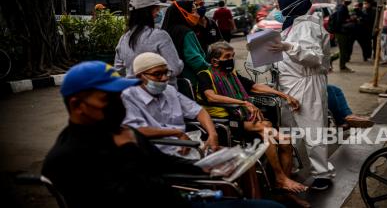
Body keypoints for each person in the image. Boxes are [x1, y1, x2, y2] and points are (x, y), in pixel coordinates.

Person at [42, 61, 285, 208]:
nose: (119, 104)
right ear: (77, 106)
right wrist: (128, 148)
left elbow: (163, 163)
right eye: (108, 98)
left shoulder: (120, 132)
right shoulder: (66, 157)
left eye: (119, 96)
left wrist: (209, 166)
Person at [197, 42, 310, 207]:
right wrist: (243, 103)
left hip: (244, 119)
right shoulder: (205, 75)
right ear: (215, 61)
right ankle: (280, 179)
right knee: (266, 128)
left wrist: (283, 95)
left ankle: (283, 187)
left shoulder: (232, 75)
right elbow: (211, 97)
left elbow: (254, 86)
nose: (231, 60)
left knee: (285, 140)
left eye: (232, 56)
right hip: (226, 123)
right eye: (226, 57)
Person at [270, 0, 335, 190]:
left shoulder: (306, 26)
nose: (276, 9)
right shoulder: (293, 25)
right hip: (291, 85)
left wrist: (286, 46)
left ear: (292, 6)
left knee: (312, 130)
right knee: (292, 130)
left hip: (306, 84)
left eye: (278, 5)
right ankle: (295, 166)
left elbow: (313, 57)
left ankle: (322, 175)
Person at [122, 52, 219, 157]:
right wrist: (176, 133)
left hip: (187, 146)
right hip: (157, 153)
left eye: (166, 72)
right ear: (140, 76)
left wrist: (212, 133)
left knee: (232, 160)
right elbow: (136, 130)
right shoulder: (128, 97)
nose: (164, 78)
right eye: (157, 74)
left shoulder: (169, 91)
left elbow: (198, 111)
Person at [114, 0, 183, 86]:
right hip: (163, 93)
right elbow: (174, 68)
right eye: (156, 10)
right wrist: (180, 63)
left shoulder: (124, 38)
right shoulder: (160, 35)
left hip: (133, 93)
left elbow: (118, 69)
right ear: (146, 12)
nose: (159, 13)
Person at [162, 0, 209, 86]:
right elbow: (194, 59)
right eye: (193, 11)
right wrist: (211, 68)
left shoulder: (165, 30)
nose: (196, 15)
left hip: (172, 79)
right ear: (183, 13)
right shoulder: (186, 32)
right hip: (190, 79)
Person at [333, 0, 357, 72]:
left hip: (343, 32)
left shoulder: (344, 7)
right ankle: (342, 67)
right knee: (343, 51)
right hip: (341, 32)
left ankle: (331, 59)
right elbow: (339, 21)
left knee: (344, 50)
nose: (350, 1)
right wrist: (350, 20)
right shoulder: (341, 8)